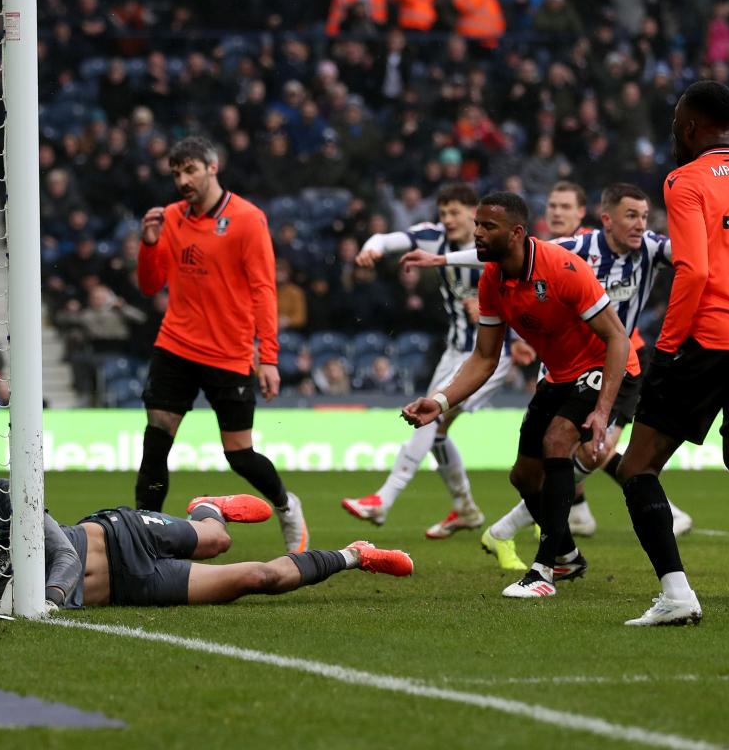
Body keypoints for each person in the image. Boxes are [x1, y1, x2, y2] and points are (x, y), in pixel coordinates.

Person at [407, 183, 693, 569]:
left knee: (564, 442)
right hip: (559, 373)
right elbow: (484, 357)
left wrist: (602, 410)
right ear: (606, 219)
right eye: (477, 224)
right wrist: (440, 401)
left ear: (516, 233)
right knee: (525, 477)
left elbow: (618, 338)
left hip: (612, 363)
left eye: (487, 227)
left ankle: (543, 568)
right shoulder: (496, 277)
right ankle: (569, 554)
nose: (476, 232)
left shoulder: (564, 266)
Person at [0, 443, 413, 613]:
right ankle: (356, 553)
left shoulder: (3, 495)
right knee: (254, 577)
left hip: (118, 534)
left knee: (220, 537)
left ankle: (206, 504)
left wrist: (46, 600)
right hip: (130, 587)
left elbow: (59, 554)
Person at [616, 81, 729, 626]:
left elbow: (696, 270)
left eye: (675, 124)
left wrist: (667, 346)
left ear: (689, 126)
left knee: (637, 467)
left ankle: (677, 594)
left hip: (709, 338)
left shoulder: (685, 180)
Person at [134, 136, 308, 551]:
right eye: (176, 173)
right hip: (175, 345)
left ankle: (287, 506)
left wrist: (268, 357)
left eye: (190, 169)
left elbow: (264, 288)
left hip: (229, 353)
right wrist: (149, 242)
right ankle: (142, 537)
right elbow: (149, 284)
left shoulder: (248, 219)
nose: (183, 180)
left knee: (239, 455)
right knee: (156, 441)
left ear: (213, 168)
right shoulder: (172, 218)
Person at [342, 183, 512, 539]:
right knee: (437, 430)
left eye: (455, 213)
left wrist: (493, 311)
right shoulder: (433, 238)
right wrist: (371, 249)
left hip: (494, 353)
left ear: (473, 214)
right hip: (455, 349)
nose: (447, 220)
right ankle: (465, 508)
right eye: (443, 213)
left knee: (431, 417)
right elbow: (387, 239)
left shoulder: (495, 244)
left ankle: (384, 499)